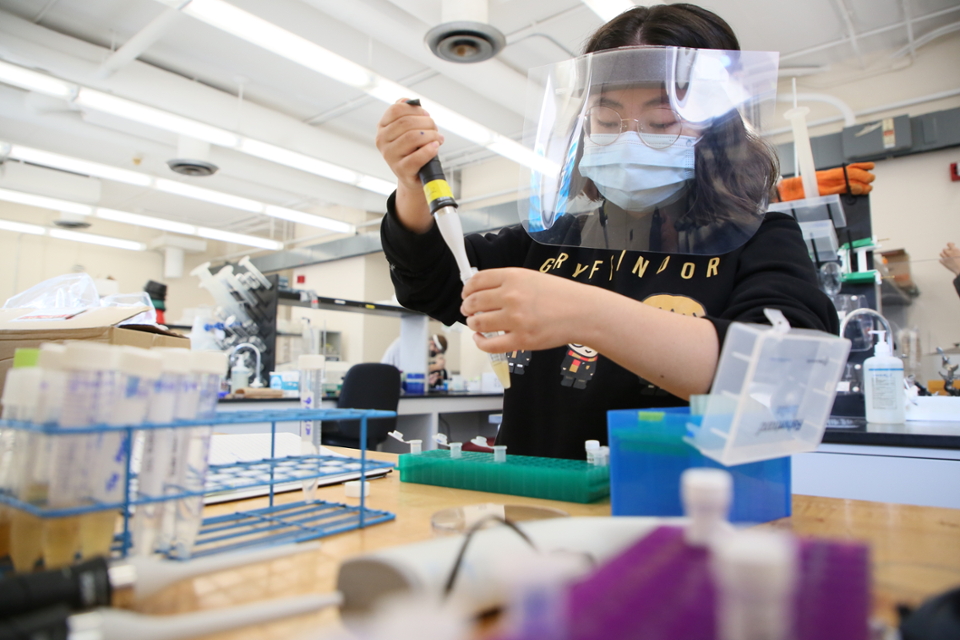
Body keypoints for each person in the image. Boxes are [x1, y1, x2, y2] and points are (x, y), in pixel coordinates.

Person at [376, 4, 838, 459]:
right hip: (541, 507)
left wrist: (585, 313)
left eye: (663, 122)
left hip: (684, 515)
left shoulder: (759, 239)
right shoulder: (551, 241)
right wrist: (411, 183)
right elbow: (428, 281)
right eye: (607, 120)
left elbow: (786, 378)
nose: (629, 140)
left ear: (717, 132)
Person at [380, 333, 448, 388]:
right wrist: (436, 366)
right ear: (432, 343)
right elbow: (413, 370)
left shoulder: (417, 345)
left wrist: (426, 380)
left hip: (393, 381)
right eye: (436, 352)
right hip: (386, 380)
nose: (436, 354)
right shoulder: (414, 343)